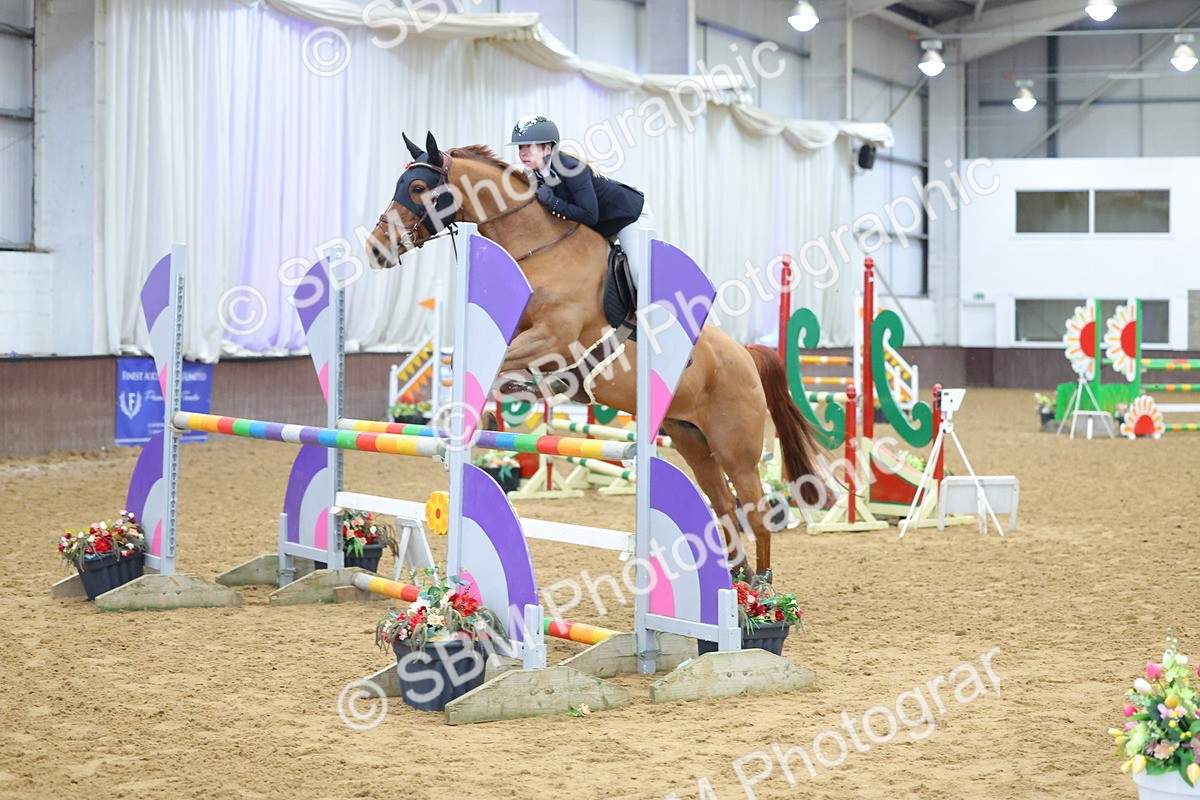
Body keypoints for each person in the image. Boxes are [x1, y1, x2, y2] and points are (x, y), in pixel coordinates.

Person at [509, 115, 653, 278]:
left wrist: (553, 202)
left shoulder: (572, 168)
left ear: (547, 149)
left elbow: (589, 215)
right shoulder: (531, 175)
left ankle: (651, 303)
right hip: (601, 225)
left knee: (639, 272)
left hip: (628, 217)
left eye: (529, 147)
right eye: (520, 147)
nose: (523, 153)